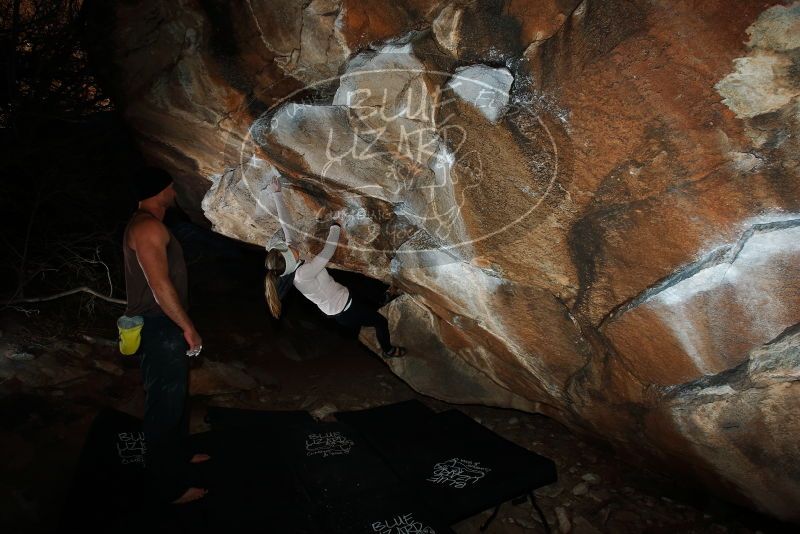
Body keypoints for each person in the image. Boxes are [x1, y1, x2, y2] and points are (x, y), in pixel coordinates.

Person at [123, 167, 209, 505]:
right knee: (163, 407)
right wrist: (187, 326)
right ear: (160, 190)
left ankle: (178, 457)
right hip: (161, 327)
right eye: (171, 185)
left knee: (176, 400)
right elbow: (160, 287)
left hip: (163, 326)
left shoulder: (149, 224)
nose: (174, 190)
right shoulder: (147, 227)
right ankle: (167, 489)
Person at [262, 176, 406, 358]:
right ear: (290, 259)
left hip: (343, 294)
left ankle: (383, 298)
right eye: (288, 247)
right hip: (345, 311)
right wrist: (336, 226)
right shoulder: (302, 275)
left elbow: (286, 225)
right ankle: (388, 350)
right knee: (380, 322)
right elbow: (326, 253)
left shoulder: (292, 259)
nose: (289, 244)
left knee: (366, 291)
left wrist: (277, 193)